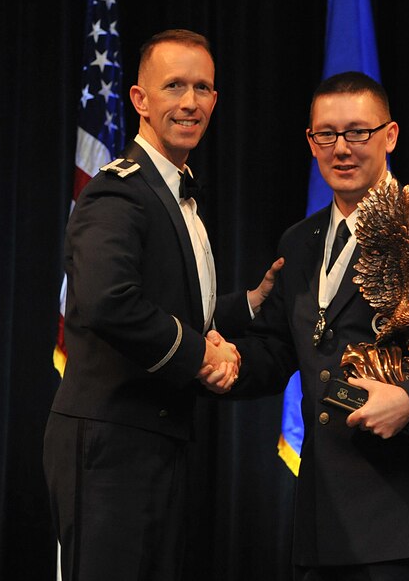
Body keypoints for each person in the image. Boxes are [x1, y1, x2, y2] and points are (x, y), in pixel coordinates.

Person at [223, 71, 409, 580]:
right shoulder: (299, 240)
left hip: (407, 524)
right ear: (311, 142)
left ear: (390, 135)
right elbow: (282, 349)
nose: (342, 148)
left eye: (358, 132)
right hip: (322, 524)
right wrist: (222, 363)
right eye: (326, 134)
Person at [42, 29, 282, 581]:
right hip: (109, 440)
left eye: (203, 87)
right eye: (174, 85)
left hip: (155, 437)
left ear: (216, 101)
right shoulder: (119, 191)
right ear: (139, 99)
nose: (190, 102)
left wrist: (248, 305)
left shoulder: (174, 191)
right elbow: (110, 302)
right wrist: (201, 356)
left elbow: (170, 304)